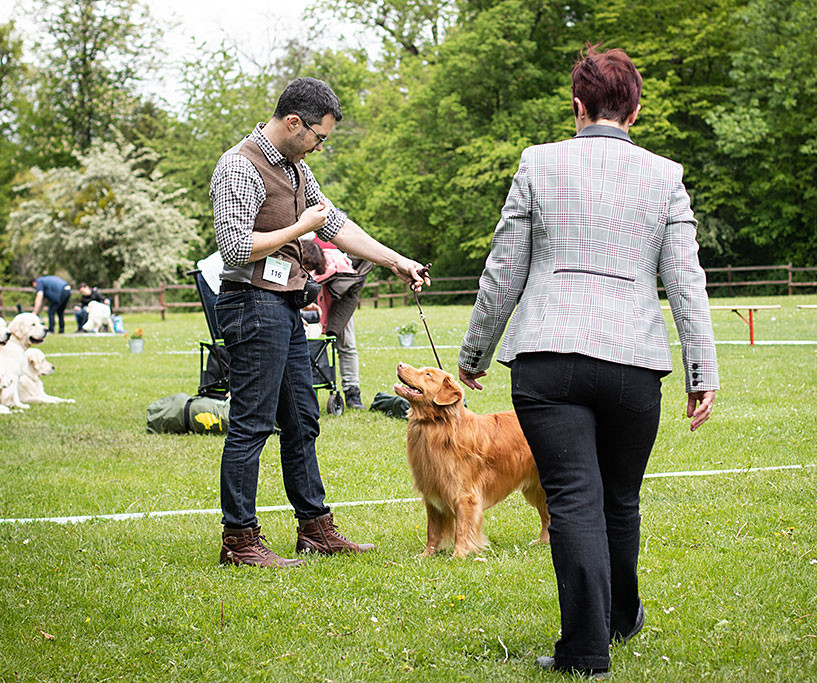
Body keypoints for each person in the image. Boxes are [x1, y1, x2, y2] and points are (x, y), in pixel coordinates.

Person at [457, 46, 718, 678]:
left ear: (577, 107)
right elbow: (687, 281)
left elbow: (503, 271)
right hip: (634, 362)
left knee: (574, 498)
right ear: (636, 109)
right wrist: (702, 372)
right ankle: (619, 620)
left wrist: (474, 354)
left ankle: (587, 646)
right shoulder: (665, 175)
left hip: (548, 357)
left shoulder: (537, 163)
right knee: (619, 500)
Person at [210, 76, 429, 568]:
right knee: (250, 425)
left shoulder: (295, 167)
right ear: (294, 123)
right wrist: (299, 227)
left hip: (285, 305)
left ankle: (314, 529)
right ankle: (239, 541)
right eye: (319, 136)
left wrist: (397, 261)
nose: (319, 146)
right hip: (251, 303)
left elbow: (335, 223)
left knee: (301, 421)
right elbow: (235, 247)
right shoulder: (238, 166)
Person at [302, 236, 371, 409]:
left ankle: (352, 391)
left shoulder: (336, 236)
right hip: (310, 299)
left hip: (339, 299)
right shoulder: (301, 233)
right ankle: (301, 393)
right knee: (305, 346)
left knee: (347, 345)